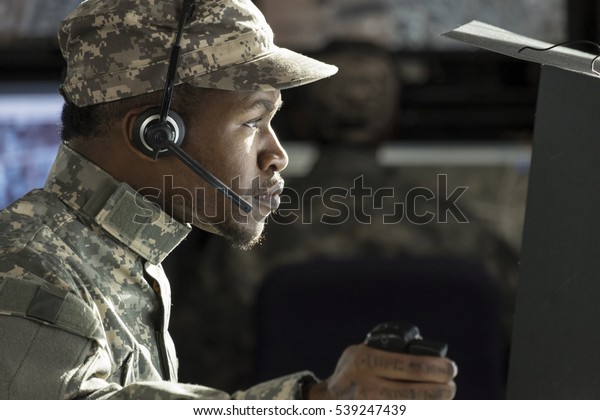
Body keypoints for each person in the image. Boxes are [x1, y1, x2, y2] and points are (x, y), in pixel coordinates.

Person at [0, 0, 456, 399]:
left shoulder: (121, 260)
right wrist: (315, 399)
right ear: (156, 133)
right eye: (254, 121)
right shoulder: (25, 260)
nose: (277, 156)